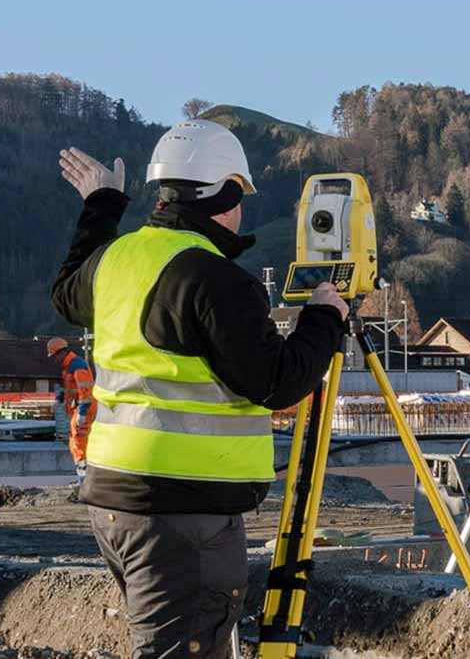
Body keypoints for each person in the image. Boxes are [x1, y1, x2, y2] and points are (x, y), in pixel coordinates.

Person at [50, 119, 348, 658]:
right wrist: (325, 319)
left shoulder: (118, 258)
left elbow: (67, 293)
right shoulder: (214, 278)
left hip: (114, 501)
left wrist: (102, 206)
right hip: (181, 513)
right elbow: (277, 382)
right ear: (227, 193)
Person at [47, 336, 97, 475]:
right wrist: (61, 397)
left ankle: (84, 477)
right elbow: (71, 388)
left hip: (83, 409)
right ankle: (82, 475)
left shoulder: (77, 365)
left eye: (55, 356)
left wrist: (82, 412)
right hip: (78, 409)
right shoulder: (69, 366)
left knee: (79, 442)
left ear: (61, 352)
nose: (54, 360)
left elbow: (85, 390)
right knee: (75, 443)